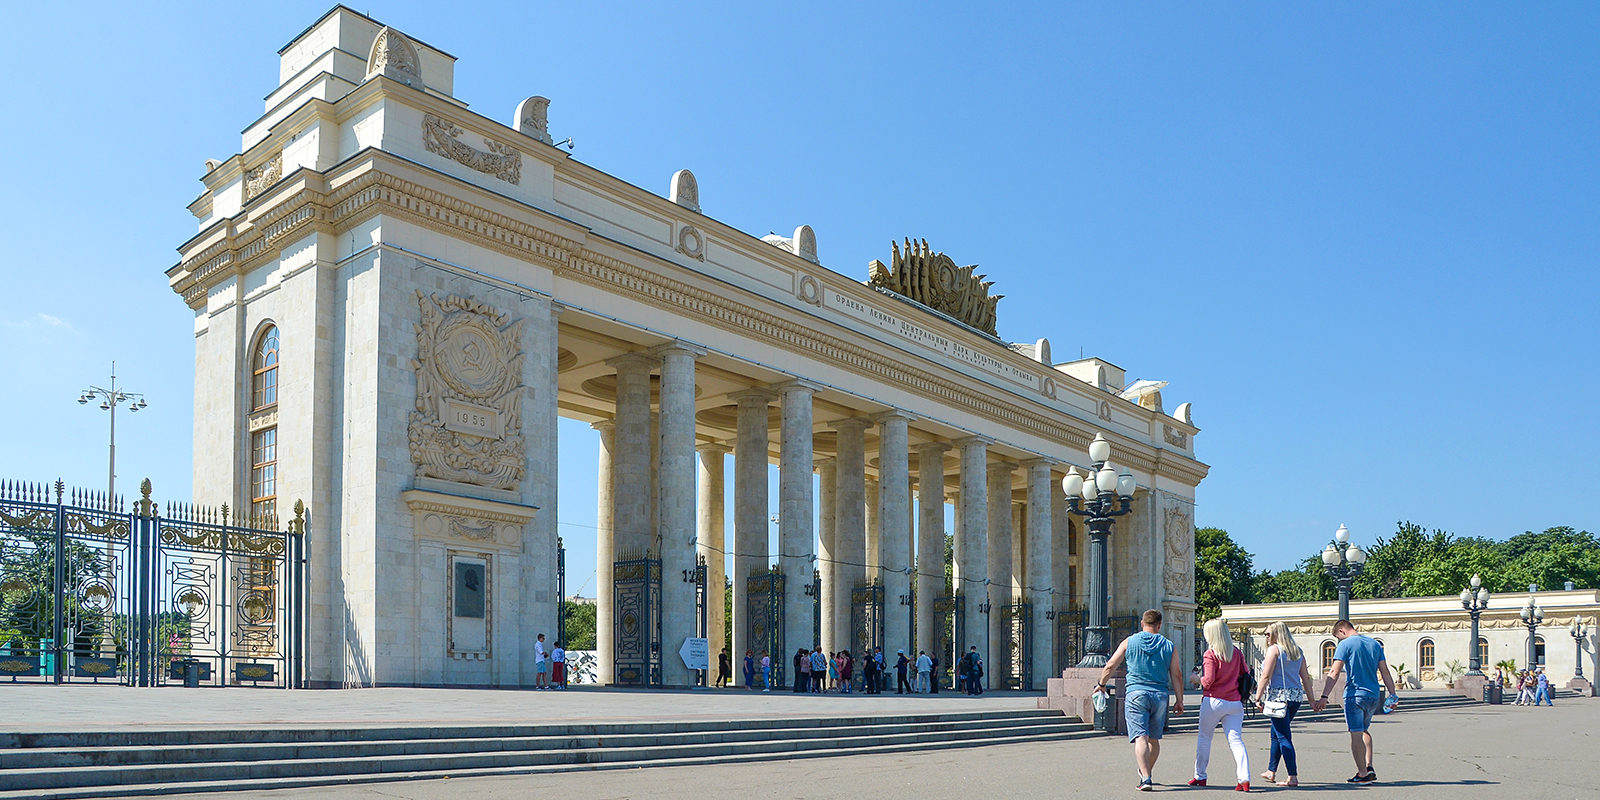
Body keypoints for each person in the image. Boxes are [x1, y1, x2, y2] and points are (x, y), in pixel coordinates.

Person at [1097, 609, 1184, 792]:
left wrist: (1101, 684)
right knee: (1154, 739)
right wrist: (1179, 700)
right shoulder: (1169, 645)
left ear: (1142, 624)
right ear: (1159, 625)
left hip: (1136, 694)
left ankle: (1145, 777)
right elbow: (1176, 674)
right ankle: (1146, 772)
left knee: (1140, 738)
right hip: (1160, 695)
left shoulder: (1129, 641)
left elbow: (1111, 664)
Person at [1314, 619, 1400, 784]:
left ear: (1342, 632)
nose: (1339, 641)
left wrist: (1324, 697)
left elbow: (1334, 671)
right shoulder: (1374, 644)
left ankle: (1362, 774)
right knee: (1364, 730)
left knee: (1355, 733)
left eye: (1339, 637)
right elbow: (1385, 672)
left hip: (1355, 695)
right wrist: (1393, 695)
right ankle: (1369, 766)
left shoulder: (1345, 644)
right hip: (1373, 695)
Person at [1191, 618, 1250, 791]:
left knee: (1204, 737)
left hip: (1214, 700)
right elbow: (1246, 673)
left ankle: (1200, 776)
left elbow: (1208, 682)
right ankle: (1244, 779)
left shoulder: (1211, 654)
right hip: (1234, 703)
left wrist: (1196, 679)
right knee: (1236, 740)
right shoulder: (1236, 652)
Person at [1253, 621, 1313, 787]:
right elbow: (1305, 678)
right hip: (1295, 697)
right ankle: (1271, 771)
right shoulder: (1297, 651)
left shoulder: (1275, 650)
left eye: (1268, 633)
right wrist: (1312, 699)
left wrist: (1257, 697)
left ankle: (1292, 776)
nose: (1266, 636)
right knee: (1276, 734)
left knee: (1283, 736)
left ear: (1276, 634)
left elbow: (1265, 676)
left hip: (1278, 697)